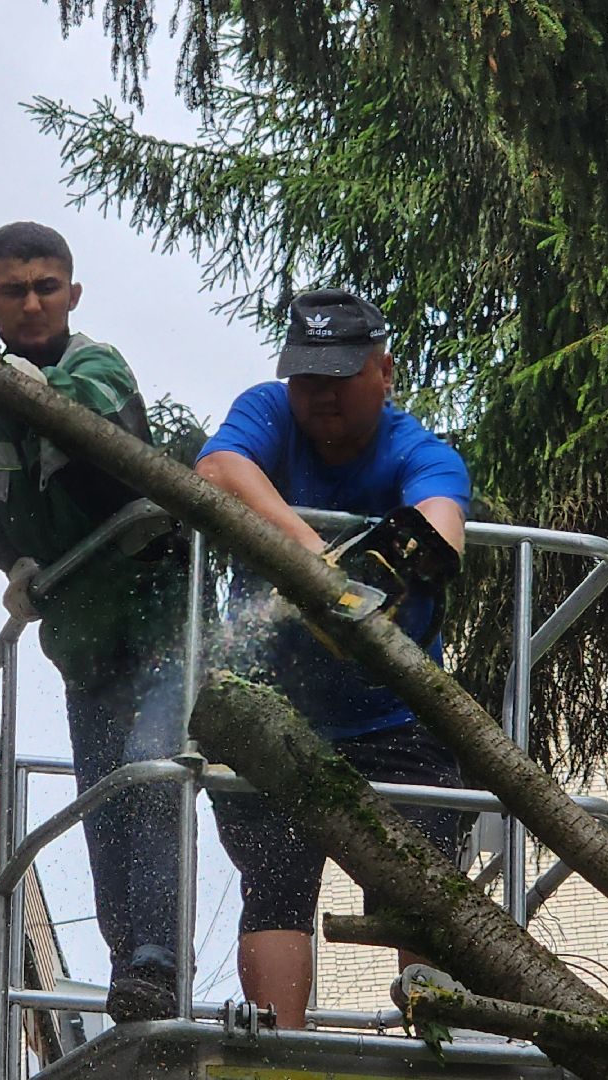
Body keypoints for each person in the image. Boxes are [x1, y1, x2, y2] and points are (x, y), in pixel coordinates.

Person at [195, 287, 471, 1027]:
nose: (319, 395)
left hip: (394, 716)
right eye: (306, 376)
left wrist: (402, 566)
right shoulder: (266, 412)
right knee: (276, 878)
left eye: (338, 377)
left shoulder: (418, 450)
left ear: (385, 370)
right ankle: (280, 1050)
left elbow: (441, 524)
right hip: (270, 710)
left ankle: (433, 1030)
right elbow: (218, 471)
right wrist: (319, 561)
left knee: (423, 877)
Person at [0, 222, 190, 1021]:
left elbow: (85, 432)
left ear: (72, 294)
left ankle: (159, 963)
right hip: (84, 646)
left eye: (46, 287)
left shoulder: (97, 367)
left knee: (152, 774)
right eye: (14, 290)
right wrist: (14, 567)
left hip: (160, 624)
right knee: (104, 802)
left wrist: (4, 379)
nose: (31, 303)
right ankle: (129, 969)